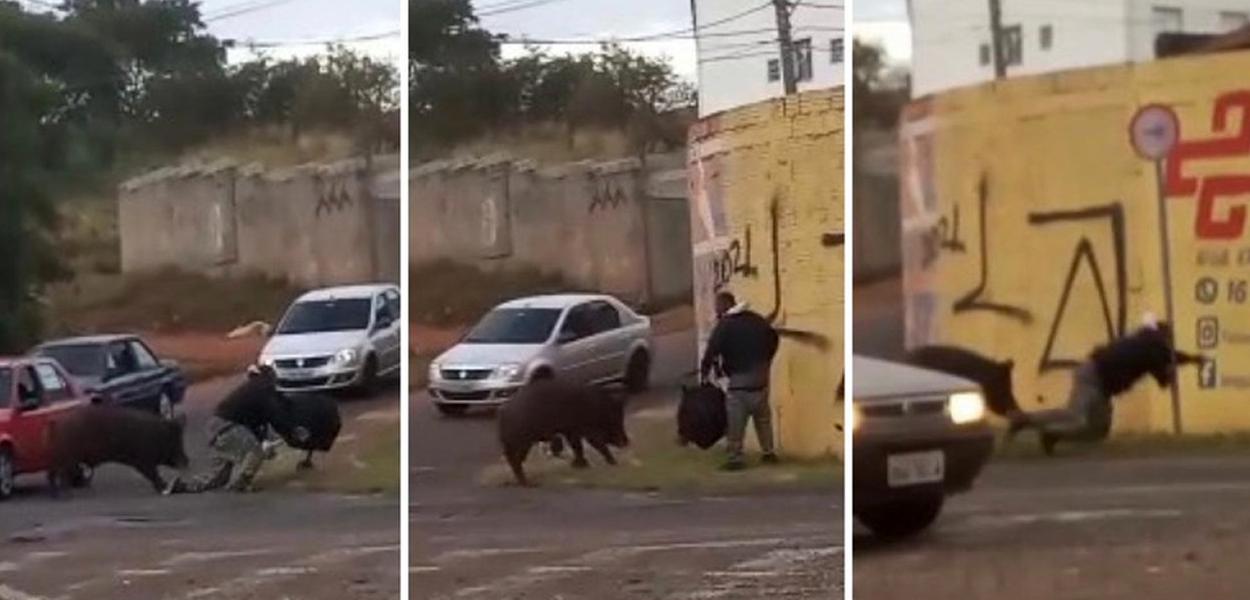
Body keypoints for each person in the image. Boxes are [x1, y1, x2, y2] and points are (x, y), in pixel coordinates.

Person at [1012, 317, 1204, 455]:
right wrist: (1172, 372)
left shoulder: (1144, 343)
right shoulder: (1153, 350)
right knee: (1076, 417)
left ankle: (1049, 432)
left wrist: (1190, 360)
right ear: (1164, 338)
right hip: (1094, 377)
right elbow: (1164, 376)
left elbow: (1170, 358)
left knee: (1098, 429)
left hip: (1099, 382)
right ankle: (1034, 425)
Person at [167, 365, 309, 494]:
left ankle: (182, 486)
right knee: (254, 452)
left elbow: (257, 422)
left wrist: (266, 439)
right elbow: (276, 418)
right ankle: (241, 484)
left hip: (217, 426)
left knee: (218, 478)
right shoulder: (262, 390)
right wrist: (292, 433)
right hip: (227, 427)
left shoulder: (254, 389)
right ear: (271, 378)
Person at [699, 291, 780, 471]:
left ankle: (736, 458)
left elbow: (712, 350)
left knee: (736, 422)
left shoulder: (725, 325)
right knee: (763, 419)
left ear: (725, 305)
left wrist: (705, 373)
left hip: (739, 383)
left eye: (717, 306)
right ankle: (769, 453)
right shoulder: (757, 320)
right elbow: (773, 337)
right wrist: (766, 361)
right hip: (761, 379)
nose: (716, 310)